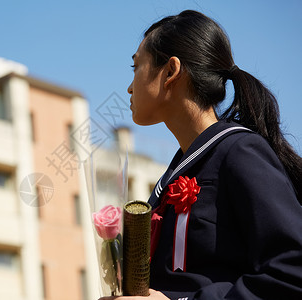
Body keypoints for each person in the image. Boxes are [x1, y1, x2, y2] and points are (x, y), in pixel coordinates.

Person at [100, 10, 302, 300]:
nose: (130, 87)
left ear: (170, 71)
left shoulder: (239, 152)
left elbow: (293, 271)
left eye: (136, 67)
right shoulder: (175, 174)